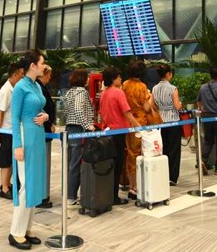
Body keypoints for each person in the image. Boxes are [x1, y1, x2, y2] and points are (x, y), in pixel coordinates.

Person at [8, 49, 49, 250]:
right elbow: (14, 119)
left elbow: (42, 108)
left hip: (38, 136)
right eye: (42, 62)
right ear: (32, 65)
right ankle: (16, 231)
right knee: (25, 185)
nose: (44, 66)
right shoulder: (20, 87)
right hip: (25, 137)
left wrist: (45, 117)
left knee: (34, 184)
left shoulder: (36, 86)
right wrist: (17, 145)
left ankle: (27, 229)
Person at [99, 66, 140, 205]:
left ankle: (108, 194)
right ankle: (114, 197)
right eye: (118, 77)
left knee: (110, 164)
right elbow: (127, 113)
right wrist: (139, 126)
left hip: (107, 132)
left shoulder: (104, 93)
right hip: (118, 133)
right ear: (113, 79)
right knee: (118, 165)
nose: (121, 79)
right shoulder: (118, 93)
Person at [121, 59, 154, 198]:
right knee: (140, 154)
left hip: (128, 124)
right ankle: (138, 187)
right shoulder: (141, 86)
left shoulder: (125, 84)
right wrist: (150, 97)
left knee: (130, 154)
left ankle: (131, 185)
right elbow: (147, 108)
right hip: (140, 124)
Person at [63, 68, 95, 206]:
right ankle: (71, 196)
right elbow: (78, 110)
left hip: (69, 128)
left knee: (71, 163)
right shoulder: (82, 92)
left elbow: (66, 110)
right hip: (79, 129)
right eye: (87, 77)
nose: (88, 80)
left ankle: (68, 194)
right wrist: (88, 125)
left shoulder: (70, 92)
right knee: (76, 164)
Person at [0, 62, 25, 198]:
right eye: (20, 75)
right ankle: (4, 188)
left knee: (12, 160)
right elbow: (0, 113)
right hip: (7, 130)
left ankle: (7, 184)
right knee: (6, 161)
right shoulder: (6, 90)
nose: (22, 77)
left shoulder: (16, 88)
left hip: (15, 130)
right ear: (14, 75)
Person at [153, 63, 183, 183]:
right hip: (173, 121)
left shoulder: (155, 88)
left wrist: (160, 107)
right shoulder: (173, 88)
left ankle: (163, 175)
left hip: (160, 122)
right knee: (174, 150)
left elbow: (152, 105)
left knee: (163, 149)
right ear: (168, 74)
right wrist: (180, 104)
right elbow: (177, 106)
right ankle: (173, 177)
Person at [36, 64, 56, 208]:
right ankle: (40, 195)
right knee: (41, 164)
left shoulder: (41, 88)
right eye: (48, 74)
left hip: (45, 129)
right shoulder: (38, 89)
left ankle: (42, 194)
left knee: (43, 163)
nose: (50, 77)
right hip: (41, 130)